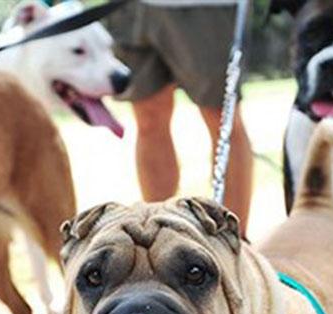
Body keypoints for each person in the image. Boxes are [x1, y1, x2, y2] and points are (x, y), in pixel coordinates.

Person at [106, 0, 254, 233]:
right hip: (131, 8)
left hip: (204, 7)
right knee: (147, 120)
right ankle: (157, 237)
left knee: (222, 121)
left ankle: (233, 240)